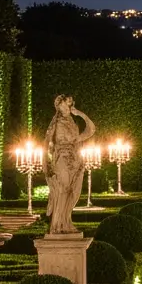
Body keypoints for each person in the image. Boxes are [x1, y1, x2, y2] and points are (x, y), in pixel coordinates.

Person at [44, 94, 96, 235]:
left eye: (70, 103)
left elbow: (91, 129)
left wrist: (80, 114)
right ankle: (56, 225)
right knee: (63, 189)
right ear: (59, 106)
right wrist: (48, 163)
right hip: (61, 158)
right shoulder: (56, 123)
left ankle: (66, 221)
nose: (69, 106)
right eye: (67, 103)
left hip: (75, 159)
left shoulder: (73, 122)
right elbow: (48, 144)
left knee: (74, 192)